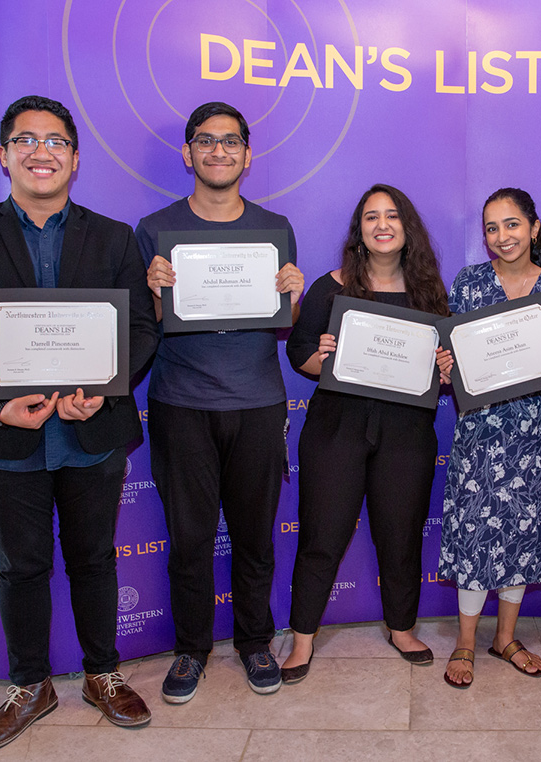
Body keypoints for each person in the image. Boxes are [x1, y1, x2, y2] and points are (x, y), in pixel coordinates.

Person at [0, 95, 158, 754]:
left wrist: (104, 391)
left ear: (74, 159)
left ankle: (101, 674)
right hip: (8, 438)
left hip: (91, 432)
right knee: (20, 568)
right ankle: (31, 686)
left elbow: (141, 328)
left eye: (54, 141)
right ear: (4, 156)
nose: (40, 151)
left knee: (92, 561)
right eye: (25, 140)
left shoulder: (113, 237)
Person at [138, 102, 304, 700]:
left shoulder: (274, 228)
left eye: (230, 141)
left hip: (258, 404)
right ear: (187, 154)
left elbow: (282, 319)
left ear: (247, 155)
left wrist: (294, 294)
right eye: (205, 141)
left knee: (256, 535)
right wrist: (155, 293)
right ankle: (191, 650)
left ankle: (256, 642)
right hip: (182, 405)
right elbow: (145, 325)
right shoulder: (155, 230)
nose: (218, 151)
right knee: (189, 539)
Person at [280, 184, 449, 683]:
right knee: (321, 534)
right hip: (337, 427)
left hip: (407, 432)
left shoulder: (429, 292)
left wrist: (444, 368)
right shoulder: (329, 288)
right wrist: (325, 355)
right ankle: (302, 638)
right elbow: (300, 356)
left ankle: (401, 627)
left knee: (400, 536)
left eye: (392, 215)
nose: (382, 225)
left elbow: (443, 369)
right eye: (371, 216)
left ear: (406, 227)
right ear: (359, 230)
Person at [436, 188, 541, 688]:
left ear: (533, 228)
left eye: (512, 225)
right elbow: (452, 358)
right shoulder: (469, 284)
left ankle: (506, 638)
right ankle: (466, 642)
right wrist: (445, 365)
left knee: (520, 530)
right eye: (491, 228)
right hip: (481, 430)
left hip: (534, 431)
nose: (502, 237)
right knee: (475, 533)